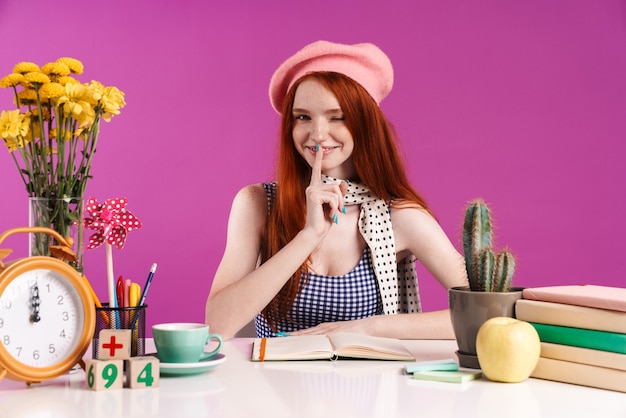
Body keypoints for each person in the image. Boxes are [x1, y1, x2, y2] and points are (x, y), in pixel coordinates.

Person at [206, 40, 468, 340]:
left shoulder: (399, 216)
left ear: (365, 124)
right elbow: (216, 326)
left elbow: (486, 314)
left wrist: (372, 326)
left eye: (337, 116)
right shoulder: (258, 204)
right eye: (303, 117)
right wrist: (308, 236)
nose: (317, 134)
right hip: (270, 384)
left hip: (368, 384)